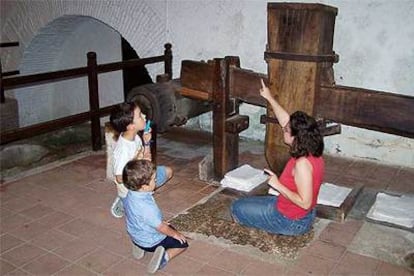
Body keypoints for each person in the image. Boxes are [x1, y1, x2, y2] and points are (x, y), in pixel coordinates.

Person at [230, 79, 324, 236]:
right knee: (246, 201)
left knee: (236, 208)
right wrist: (269, 97)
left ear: (296, 137)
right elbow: (285, 120)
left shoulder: (302, 164)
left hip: (292, 221)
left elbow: (305, 202)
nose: (283, 130)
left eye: (287, 130)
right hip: (292, 210)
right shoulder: (312, 149)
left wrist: (278, 185)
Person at [122, 159, 188, 274]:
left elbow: (138, 216)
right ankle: (164, 257)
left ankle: (138, 245)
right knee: (182, 243)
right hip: (152, 242)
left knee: (153, 224)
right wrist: (175, 234)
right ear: (143, 186)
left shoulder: (129, 194)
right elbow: (161, 228)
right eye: (153, 179)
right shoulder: (147, 207)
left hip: (136, 235)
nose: (156, 180)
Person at [109, 102, 173, 218]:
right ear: (131, 126)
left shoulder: (136, 137)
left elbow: (146, 159)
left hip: (140, 178)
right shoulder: (123, 149)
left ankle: (142, 194)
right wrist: (136, 160)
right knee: (145, 215)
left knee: (168, 172)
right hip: (131, 187)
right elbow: (119, 178)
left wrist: (147, 142)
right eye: (139, 115)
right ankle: (124, 201)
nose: (144, 116)